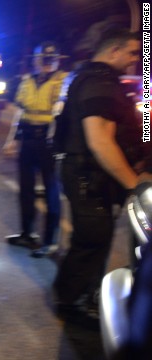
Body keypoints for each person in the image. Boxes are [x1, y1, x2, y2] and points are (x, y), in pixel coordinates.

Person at [52, 29, 149, 325]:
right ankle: (71, 302)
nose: (137, 60)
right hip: (89, 178)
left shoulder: (95, 78)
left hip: (89, 176)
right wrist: (134, 183)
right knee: (93, 239)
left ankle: (80, 295)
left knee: (95, 238)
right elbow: (100, 141)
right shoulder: (99, 82)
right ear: (113, 50)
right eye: (132, 52)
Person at [3, 41, 68, 258]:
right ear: (36, 61)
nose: (48, 64)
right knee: (26, 191)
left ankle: (50, 242)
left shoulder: (63, 81)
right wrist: (12, 139)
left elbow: (59, 112)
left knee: (51, 193)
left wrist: (56, 142)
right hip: (28, 140)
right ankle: (27, 234)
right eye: (43, 60)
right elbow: (19, 113)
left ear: (57, 60)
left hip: (49, 142)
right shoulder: (27, 81)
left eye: (51, 59)